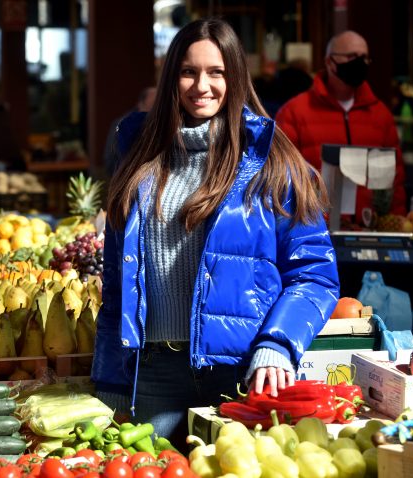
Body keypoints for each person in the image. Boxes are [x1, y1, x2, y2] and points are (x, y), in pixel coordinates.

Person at [93, 18, 340, 449]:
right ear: (172, 77)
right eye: (189, 71)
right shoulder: (136, 154)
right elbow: (116, 285)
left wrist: (277, 344)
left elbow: (315, 275)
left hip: (241, 371)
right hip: (154, 373)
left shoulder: (273, 162)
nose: (201, 85)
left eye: (216, 72)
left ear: (236, 77)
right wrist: (109, 378)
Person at [275, 31, 407, 223]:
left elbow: (393, 180)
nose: (359, 63)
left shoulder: (380, 115)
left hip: (368, 230)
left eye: (364, 58)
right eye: (351, 56)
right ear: (330, 62)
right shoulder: (294, 112)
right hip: (313, 231)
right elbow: (280, 179)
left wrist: (394, 225)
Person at [103, 86, 157, 178]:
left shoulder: (161, 122)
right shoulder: (123, 124)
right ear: (141, 104)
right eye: (153, 104)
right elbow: (111, 158)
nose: (157, 106)